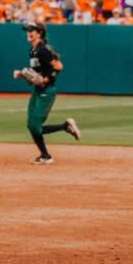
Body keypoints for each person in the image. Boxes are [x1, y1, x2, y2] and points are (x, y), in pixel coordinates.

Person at [15, 22, 80, 163]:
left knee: (34, 125)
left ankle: (64, 128)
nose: (28, 33)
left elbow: (59, 66)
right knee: (31, 124)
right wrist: (22, 74)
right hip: (37, 91)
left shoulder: (43, 50)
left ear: (39, 33)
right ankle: (45, 155)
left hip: (47, 91)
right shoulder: (32, 50)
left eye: (31, 31)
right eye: (27, 31)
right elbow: (36, 73)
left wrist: (46, 79)